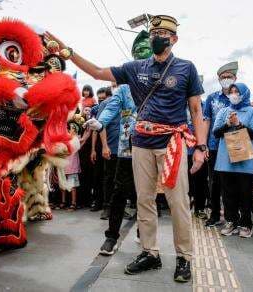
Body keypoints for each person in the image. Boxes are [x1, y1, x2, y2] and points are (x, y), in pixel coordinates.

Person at [48, 14, 208, 282]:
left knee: (177, 201)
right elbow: (98, 72)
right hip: (142, 143)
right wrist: (68, 51)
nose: (157, 38)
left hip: (173, 143)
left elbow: (195, 109)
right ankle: (150, 252)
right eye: (154, 33)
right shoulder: (135, 68)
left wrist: (201, 147)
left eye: (163, 35)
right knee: (144, 200)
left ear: (174, 39)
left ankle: (184, 257)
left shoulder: (186, 68)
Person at [91, 30, 151, 255]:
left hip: (151, 146)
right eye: (139, 56)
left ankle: (143, 232)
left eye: (146, 56)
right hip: (126, 149)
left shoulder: (159, 83)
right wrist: (99, 122)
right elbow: (111, 107)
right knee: (119, 192)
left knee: (145, 194)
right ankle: (112, 237)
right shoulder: (124, 88)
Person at [213, 83, 253, 238]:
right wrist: (228, 124)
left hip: (244, 161)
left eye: (237, 92)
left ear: (245, 94)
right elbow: (216, 133)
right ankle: (231, 221)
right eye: (232, 91)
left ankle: (246, 224)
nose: (234, 94)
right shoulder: (224, 111)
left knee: (245, 194)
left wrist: (239, 124)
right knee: (228, 194)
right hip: (225, 160)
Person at [203, 61, 237, 226]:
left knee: (232, 183)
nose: (226, 79)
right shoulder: (212, 98)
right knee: (214, 182)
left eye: (229, 76)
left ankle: (233, 217)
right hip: (215, 146)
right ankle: (215, 214)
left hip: (235, 146)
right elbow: (206, 121)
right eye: (223, 77)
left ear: (235, 78)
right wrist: (204, 145)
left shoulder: (238, 97)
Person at [98, 86, 120, 220]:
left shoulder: (132, 102)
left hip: (128, 149)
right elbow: (100, 125)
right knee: (109, 178)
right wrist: (104, 146)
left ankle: (122, 208)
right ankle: (107, 207)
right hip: (111, 148)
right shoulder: (106, 103)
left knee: (124, 180)